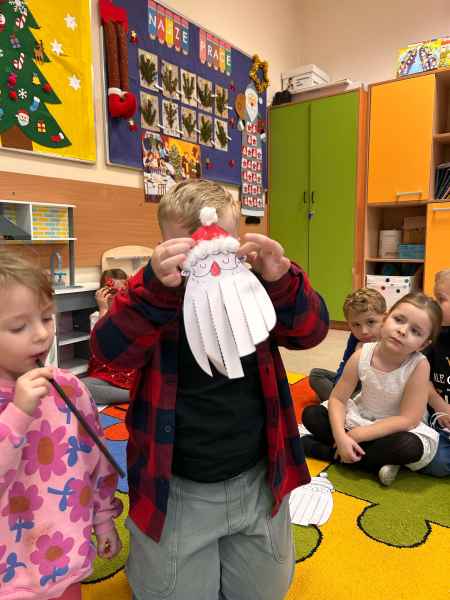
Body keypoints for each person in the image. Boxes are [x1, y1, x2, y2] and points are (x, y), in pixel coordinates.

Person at [90, 179, 329, 600]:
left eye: (222, 243)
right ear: (164, 246)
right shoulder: (153, 296)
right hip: (178, 487)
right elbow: (109, 352)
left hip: (257, 479)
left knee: (264, 594)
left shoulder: (254, 288)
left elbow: (310, 332)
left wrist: (282, 280)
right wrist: (151, 291)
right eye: (190, 247)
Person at [0, 251, 122, 600]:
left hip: (64, 558)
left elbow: (95, 460)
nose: (42, 335)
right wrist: (17, 413)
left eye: (46, 318)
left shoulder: (70, 388)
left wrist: (103, 518)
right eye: (19, 327)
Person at [302, 292, 442, 486]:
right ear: (386, 319)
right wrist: (341, 437)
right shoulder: (362, 354)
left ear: (423, 344)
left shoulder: (419, 365)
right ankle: (371, 461)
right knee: (312, 415)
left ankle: (323, 451)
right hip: (361, 416)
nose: (402, 331)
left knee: (408, 446)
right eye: (399, 320)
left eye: (415, 331)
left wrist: (358, 435)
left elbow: (408, 419)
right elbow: (338, 399)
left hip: (395, 429)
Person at [309, 288, 386, 402]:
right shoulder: (355, 337)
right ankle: (341, 403)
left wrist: (364, 355)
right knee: (316, 374)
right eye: (356, 325)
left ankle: (336, 403)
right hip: (353, 383)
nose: (364, 331)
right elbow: (345, 363)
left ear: (385, 318)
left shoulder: (390, 339)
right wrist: (339, 386)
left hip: (376, 389)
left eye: (370, 322)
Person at [83, 268, 136, 405]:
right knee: (82, 387)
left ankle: (136, 393)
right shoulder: (97, 316)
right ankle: (134, 395)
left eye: (122, 292)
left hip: (130, 370)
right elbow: (102, 343)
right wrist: (104, 309)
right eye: (111, 293)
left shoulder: (131, 314)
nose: (117, 296)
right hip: (106, 373)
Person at [419, 269, 450, 477]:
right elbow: (421, 378)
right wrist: (440, 405)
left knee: (438, 462)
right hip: (434, 419)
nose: (434, 305)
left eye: (441, 299)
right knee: (436, 462)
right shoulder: (435, 336)